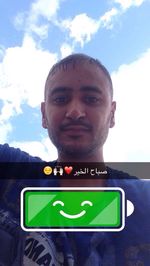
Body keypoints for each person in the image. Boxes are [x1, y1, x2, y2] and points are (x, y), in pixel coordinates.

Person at [0, 53, 150, 265]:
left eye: (91, 99)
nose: (75, 111)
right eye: (61, 99)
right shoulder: (12, 175)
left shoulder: (145, 203)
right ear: (44, 114)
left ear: (112, 113)